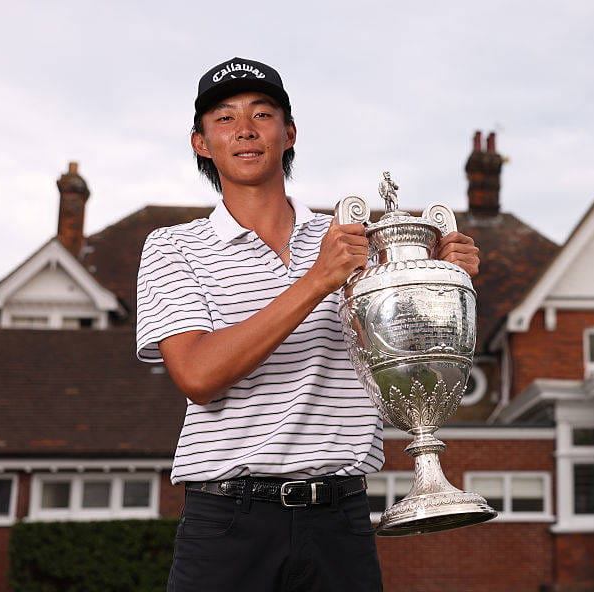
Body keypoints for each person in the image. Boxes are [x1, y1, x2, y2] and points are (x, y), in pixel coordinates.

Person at [135, 57, 480, 592]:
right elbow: (198, 375)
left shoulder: (356, 244)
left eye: (263, 114)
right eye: (224, 118)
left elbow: (406, 354)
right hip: (228, 523)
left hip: (339, 520)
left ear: (288, 133)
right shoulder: (173, 247)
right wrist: (317, 280)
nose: (245, 129)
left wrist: (440, 284)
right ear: (201, 142)